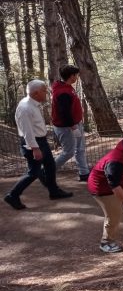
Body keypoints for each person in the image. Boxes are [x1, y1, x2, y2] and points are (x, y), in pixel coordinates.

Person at [4, 80, 74, 210]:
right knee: (33, 172)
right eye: (44, 90)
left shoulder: (33, 104)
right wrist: (35, 148)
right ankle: (13, 195)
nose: (46, 93)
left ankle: (54, 191)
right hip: (33, 143)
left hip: (41, 141)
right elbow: (27, 131)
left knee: (50, 165)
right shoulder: (25, 108)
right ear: (36, 93)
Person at [52, 64, 90, 182]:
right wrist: (73, 127)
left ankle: (84, 173)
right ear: (71, 76)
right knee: (68, 152)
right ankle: (47, 170)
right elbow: (64, 112)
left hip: (75, 124)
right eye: (76, 75)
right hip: (67, 127)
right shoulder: (63, 92)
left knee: (80, 149)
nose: (77, 77)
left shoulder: (67, 87)